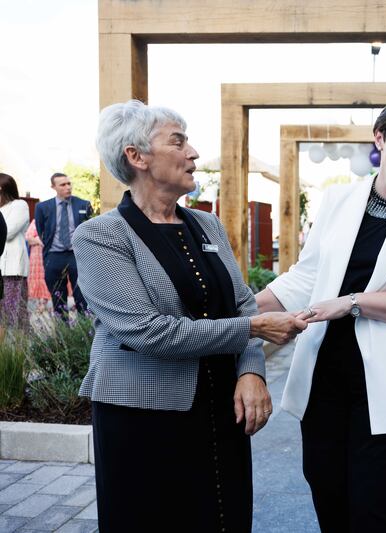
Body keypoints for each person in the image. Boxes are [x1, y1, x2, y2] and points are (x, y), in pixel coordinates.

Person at [74, 99, 309, 533]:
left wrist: (252, 372)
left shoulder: (207, 226)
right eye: (178, 142)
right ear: (137, 156)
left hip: (222, 407)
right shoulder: (99, 236)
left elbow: (242, 303)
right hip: (144, 419)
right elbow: (148, 332)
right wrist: (254, 330)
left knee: (223, 518)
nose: (194, 153)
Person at [256, 97, 386, 532]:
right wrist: (240, 314)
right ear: (380, 138)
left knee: (376, 510)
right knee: (329, 498)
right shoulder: (337, 200)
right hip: (325, 379)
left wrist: (352, 302)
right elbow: (304, 277)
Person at [34, 172, 92, 317]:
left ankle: (86, 332)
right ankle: (63, 334)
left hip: (76, 255)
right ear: (53, 187)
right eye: (62, 185)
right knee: (58, 298)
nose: (67, 187)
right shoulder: (42, 207)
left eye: (68, 183)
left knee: (82, 296)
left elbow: (88, 228)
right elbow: (42, 231)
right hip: (53, 257)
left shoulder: (83, 204)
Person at [0, 173, 31, 332]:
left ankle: (17, 351)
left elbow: (8, 231)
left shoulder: (19, 205)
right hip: (1, 268)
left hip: (11, 268)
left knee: (13, 312)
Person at [24, 219, 52, 311]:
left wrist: (37, 239)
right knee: (36, 278)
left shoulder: (51, 219)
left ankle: (43, 302)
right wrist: (39, 241)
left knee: (45, 277)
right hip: (35, 256)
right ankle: (39, 302)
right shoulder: (35, 221)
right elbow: (28, 237)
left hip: (47, 254)